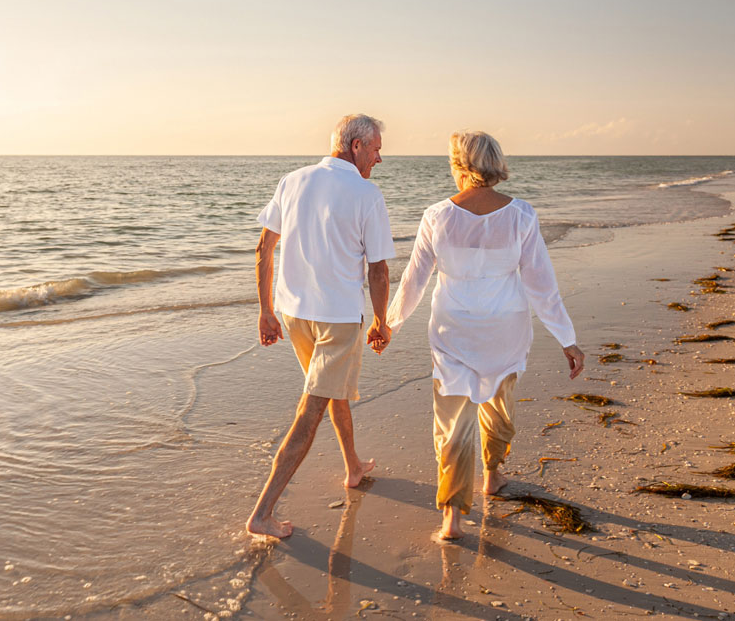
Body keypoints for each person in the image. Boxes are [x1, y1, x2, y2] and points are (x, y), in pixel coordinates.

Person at [386, 130, 585, 540]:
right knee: (499, 405)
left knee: (453, 422)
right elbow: (541, 285)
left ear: (460, 165)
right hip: (505, 329)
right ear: (494, 164)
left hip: (452, 329)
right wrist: (567, 338)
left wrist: (388, 324)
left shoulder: (437, 216)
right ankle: (492, 476)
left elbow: (414, 283)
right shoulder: (522, 215)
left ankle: (453, 518)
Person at [245, 114, 396, 539]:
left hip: (294, 314)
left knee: (333, 391)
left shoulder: (292, 180)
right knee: (312, 407)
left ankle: (352, 465)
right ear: (356, 147)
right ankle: (262, 512)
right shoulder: (366, 194)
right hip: (338, 320)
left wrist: (266, 311)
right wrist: (382, 322)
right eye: (377, 148)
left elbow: (263, 249)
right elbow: (379, 270)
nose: (380, 158)